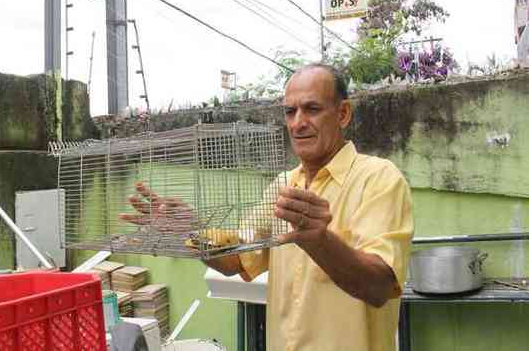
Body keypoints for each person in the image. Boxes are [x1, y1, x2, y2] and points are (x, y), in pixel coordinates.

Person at [121, 64, 414, 351]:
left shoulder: (378, 179)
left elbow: (379, 288)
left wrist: (320, 241)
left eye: (312, 109)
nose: (298, 123)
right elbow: (237, 259)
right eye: (290, 111)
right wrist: (195, 233)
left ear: (343, 113)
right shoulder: (284, 186)